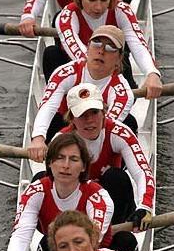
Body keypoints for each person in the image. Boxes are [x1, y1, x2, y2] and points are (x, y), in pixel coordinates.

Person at [2, 132, 114, 251]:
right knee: (48, 242)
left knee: (123, 240)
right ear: (49, 163)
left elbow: (90, 244)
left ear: (83, 167)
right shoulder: (35, 191)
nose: (66, 165)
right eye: (60, 158)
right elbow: (21, 234)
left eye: (73, 159)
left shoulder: (99, 197)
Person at [28, 25, 136, 162]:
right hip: (66, 129)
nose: (101, 51)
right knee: (51, 54)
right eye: (96, 44)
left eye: (110, 48)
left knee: (129, 123)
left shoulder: (123, 93)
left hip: (98, 144)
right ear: (88, 47)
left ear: (119, 58)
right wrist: (38, 138)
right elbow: (48, 106)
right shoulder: (65, 72)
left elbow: (102, 128)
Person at [53, 0, 162, 92]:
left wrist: (152, 73)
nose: (98, 7)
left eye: (104, 0)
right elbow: (79, 53)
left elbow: (137, 44)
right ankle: (61, 106)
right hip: (79, 77)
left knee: (119, 52)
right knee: (51, 54)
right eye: (92, 0)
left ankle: (124, 91)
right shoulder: (67, 16)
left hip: (112, 73)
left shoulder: (122, 10)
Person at [62, 81, 155, 229]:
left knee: (117, 177)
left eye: (94, 112)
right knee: (41, 178)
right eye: (82, 115)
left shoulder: (119, 133)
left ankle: (115, 232)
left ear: (104, 112)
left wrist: (146, 205)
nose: (90, 120)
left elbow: (142, 171)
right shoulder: (61, 141)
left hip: (114, 204)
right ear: (71, 118)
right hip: (77, 205)